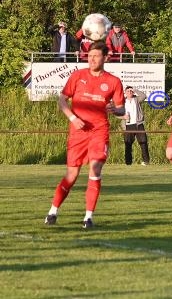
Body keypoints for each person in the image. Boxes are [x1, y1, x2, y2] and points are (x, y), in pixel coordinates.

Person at [44, 41, 125, 229]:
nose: (92, 59)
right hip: (78, 133)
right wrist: (72, 118)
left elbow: (121, 109)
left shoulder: (113, 81)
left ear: (106, 57)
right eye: (89, 56)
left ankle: (88, 217)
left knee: (95, 168)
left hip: (99, 131)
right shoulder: (77, 76)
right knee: (71, 175)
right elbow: (62, 100)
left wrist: (115, 109)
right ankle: (53, 211)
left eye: (96, 56)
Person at [121, 86, 150, 166]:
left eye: (131, 91)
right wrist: (123, 117)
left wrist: (135, 90)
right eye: (128, 91)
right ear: (125, 93)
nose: (130, 92)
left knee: (143, 142)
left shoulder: (137, 99)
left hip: (138, 124)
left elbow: (144, 96)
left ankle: (146, 161)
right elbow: (116, 113)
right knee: (128, 144)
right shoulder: (122, 101)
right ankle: (128, 162)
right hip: (128, 125)